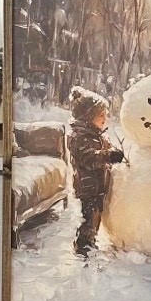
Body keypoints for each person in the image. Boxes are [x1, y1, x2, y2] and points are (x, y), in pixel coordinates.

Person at [66, 86, 123, 255]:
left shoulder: (97, 135)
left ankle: (90, 241)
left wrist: (114, 153)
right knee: (89, 217)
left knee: (96, 215)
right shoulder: (79, 137)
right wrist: (108, 155)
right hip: (88, 186)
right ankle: (83, 244)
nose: (105, 118)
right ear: (88, 116)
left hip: (98, 185)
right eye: (101, 115)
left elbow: (105, 151)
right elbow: (89, 158)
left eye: (105, 114)